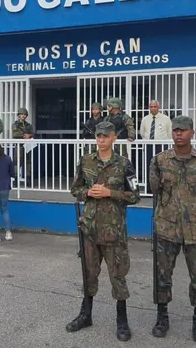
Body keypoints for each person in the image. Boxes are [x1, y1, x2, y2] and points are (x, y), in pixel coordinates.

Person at [66, 121, 141, 342]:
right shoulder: (86, 161)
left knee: (118, 275)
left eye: (105, 136)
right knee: (89, 273)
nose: (101, 140)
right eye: (98, 136)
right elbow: (74, 189)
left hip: (114, 231)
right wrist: (88, 192)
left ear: (114, 138)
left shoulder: (124, 164)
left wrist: (111, 193)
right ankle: (85, 314)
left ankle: (122, 321)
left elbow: (135, 195)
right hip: (90, 229)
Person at [148, 115, 196, 343]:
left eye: (183, 130)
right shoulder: (159, 160)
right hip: (166, 227)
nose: (178, 134)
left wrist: (193, 210)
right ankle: (162, 318)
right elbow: (154, 189)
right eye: (176, 130)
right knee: (162, 275)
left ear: (192, 133)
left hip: (195, 230)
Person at [138, 100, 172, 194]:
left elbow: (170, 133)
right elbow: (142, 132)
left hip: (161, 146)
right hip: (149, 146)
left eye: (155, 106)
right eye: (151, 107)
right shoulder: (145, 119)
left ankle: (162, 189)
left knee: (162, 167)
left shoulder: (165, 119)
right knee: (149, 166)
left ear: (158, 107)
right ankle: (149, 189)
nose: (153, 108)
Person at [11, 107, 34, 185]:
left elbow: (32, 133)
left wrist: (29, 135)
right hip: (19, 145)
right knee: (17, 163)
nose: (23, 116)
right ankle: (16, 179)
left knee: (28, 162)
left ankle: (28, 179)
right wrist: (25, 135)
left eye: (25, 114)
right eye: (22, 114)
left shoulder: (28, 125)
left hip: (27, 145)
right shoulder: (15, 124)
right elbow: (15, 134)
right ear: (19, 115)